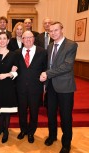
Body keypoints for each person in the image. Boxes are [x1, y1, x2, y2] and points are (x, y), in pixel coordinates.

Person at [40, 22, 78, 153]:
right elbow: (49, 65)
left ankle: (66, 144)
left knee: (66, 116)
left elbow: (67, 66)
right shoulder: (50, 46)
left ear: (62, 29)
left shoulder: (71, 45)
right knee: (50, 114)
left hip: (65, 88)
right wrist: (45, 84)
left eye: (56, 30)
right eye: (51, 31)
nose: (53, 33)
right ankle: (52, 136)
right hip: (51, 87)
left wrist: (47, 74)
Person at [16, 31, 47, 143]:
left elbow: (45, 68)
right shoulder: (17, 53)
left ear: (34, 39)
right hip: (20, 88)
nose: (28, 39)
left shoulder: (42, 52)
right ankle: (23, 130)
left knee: (34, 112)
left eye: (30, 37)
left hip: (36, 88)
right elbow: (14, 70)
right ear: (22, 39)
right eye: (25, 37)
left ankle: (31, 132)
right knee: (22, 111)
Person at [0, 32, 18, 143]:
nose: (2, 40)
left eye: (4, 38)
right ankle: (0, 128)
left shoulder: (13, 55)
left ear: (8, 40)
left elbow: (16, 72)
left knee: (6, 110)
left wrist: (6, 74)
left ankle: (6, 131)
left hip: (8, 85)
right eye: (0, 38)